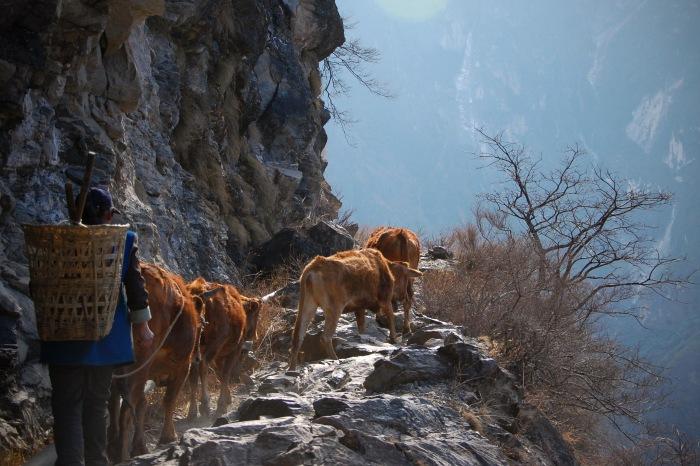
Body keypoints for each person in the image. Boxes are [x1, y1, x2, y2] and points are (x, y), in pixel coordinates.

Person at [40, 187, 154, 466]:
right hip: (103, 343)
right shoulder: (123, 241)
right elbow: (135, 287)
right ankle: (97, 462)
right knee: (96, 406)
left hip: (62, 339)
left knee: (67, 408)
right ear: (105, 214)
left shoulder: (54, 240)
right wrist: (142, 326)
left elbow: (38, 285)